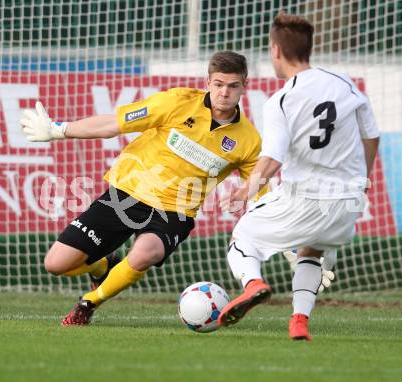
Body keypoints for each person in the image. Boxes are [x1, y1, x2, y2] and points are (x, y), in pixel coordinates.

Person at [20, 51, 264, 326]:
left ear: (244, 85)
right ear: (208, 82)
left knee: (145, 253)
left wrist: (289, 245)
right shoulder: (176, 102)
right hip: (128, 193)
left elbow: (260, 193)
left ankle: (89, 303)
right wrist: (58, 129)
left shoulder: (249, 140)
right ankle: (104, 265)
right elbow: (113, 124)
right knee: (55, 264)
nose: (224, 93)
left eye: (233, 86)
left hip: (176, 212)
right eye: (219, 84)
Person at [216, 11, 380, 341]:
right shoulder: (343, 83)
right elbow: (372, 135)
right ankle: (299, 321)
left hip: (306, 196)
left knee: (243, 238)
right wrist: (359, 181)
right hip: (349, 203)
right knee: (311, 251)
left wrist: (249, 187)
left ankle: (254, 284)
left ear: (276, 50)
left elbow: (273, 157)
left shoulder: (282, 100)